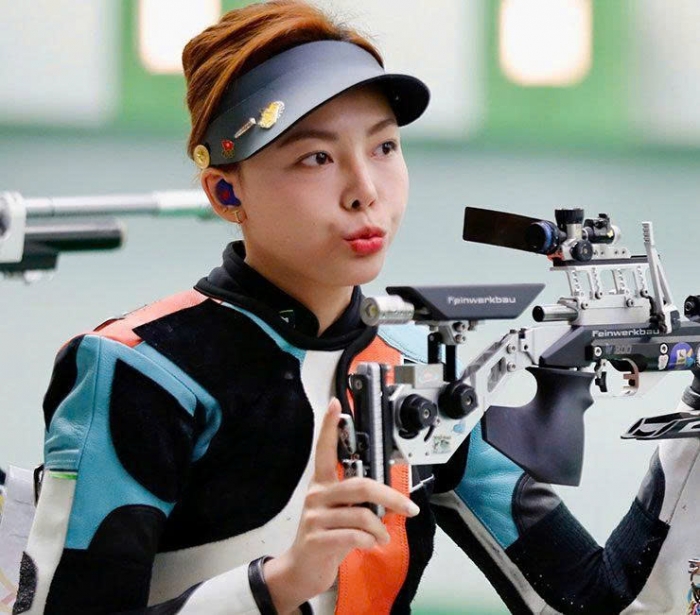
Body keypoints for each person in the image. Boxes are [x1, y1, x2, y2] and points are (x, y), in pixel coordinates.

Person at [13, 1, 700, 613]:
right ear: (226, 193)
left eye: (385, 146)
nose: (365, 188)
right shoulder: (140, 369)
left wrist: (691, 432)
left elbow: (597, 599)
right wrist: (279, 582)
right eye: (316, 157)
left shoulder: (422, 381)